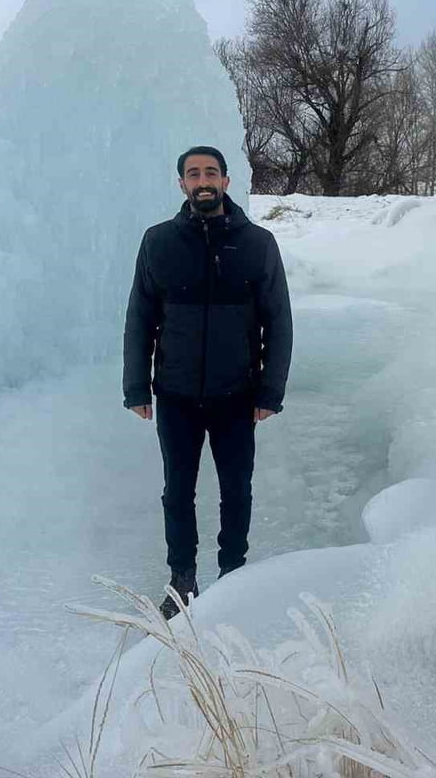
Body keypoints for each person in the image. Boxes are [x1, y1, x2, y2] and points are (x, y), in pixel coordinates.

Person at [123, 146, 292, 619]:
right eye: (194, 174)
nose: (203, 181)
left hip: (237, 394)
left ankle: (233, 575)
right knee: (177, 492)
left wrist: (270, 391)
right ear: (182, 184)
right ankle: (182, 579)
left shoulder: (257, 243)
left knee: (236, 489)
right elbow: (140, 317)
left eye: (211, 173)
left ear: (226, 182)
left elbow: (279, 321)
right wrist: (136, 386)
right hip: (175, 394)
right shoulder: (158, 241)